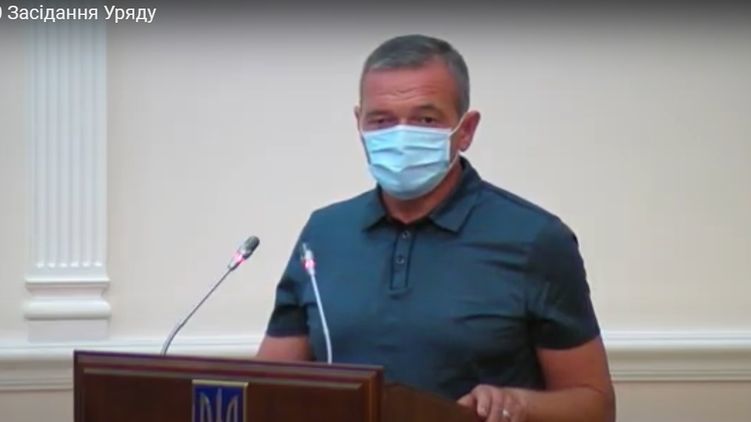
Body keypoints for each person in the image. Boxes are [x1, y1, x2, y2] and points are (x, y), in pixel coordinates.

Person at [256, 34, 615, 422]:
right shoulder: (324, 234)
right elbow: (265, 388)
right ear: (359, 124)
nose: (400, 135)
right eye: (381, 120)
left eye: (425, 120)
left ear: (466, 129)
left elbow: (595, 406)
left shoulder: (535, 240)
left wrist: (516, 404)